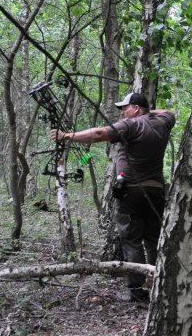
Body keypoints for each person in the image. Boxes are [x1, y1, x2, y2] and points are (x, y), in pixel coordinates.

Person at [51, 92, 176, 303]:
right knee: (153, 239)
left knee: (132, 240)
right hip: (155, 191)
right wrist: (146, 111)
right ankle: (158, 284)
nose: (122, 113)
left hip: (132, 192)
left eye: (125, 108)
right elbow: (168, 112)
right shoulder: (163, 123)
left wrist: (66, 136)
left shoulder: (130, 125)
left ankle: (137, 291)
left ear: (136, 108)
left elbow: (99, 134)